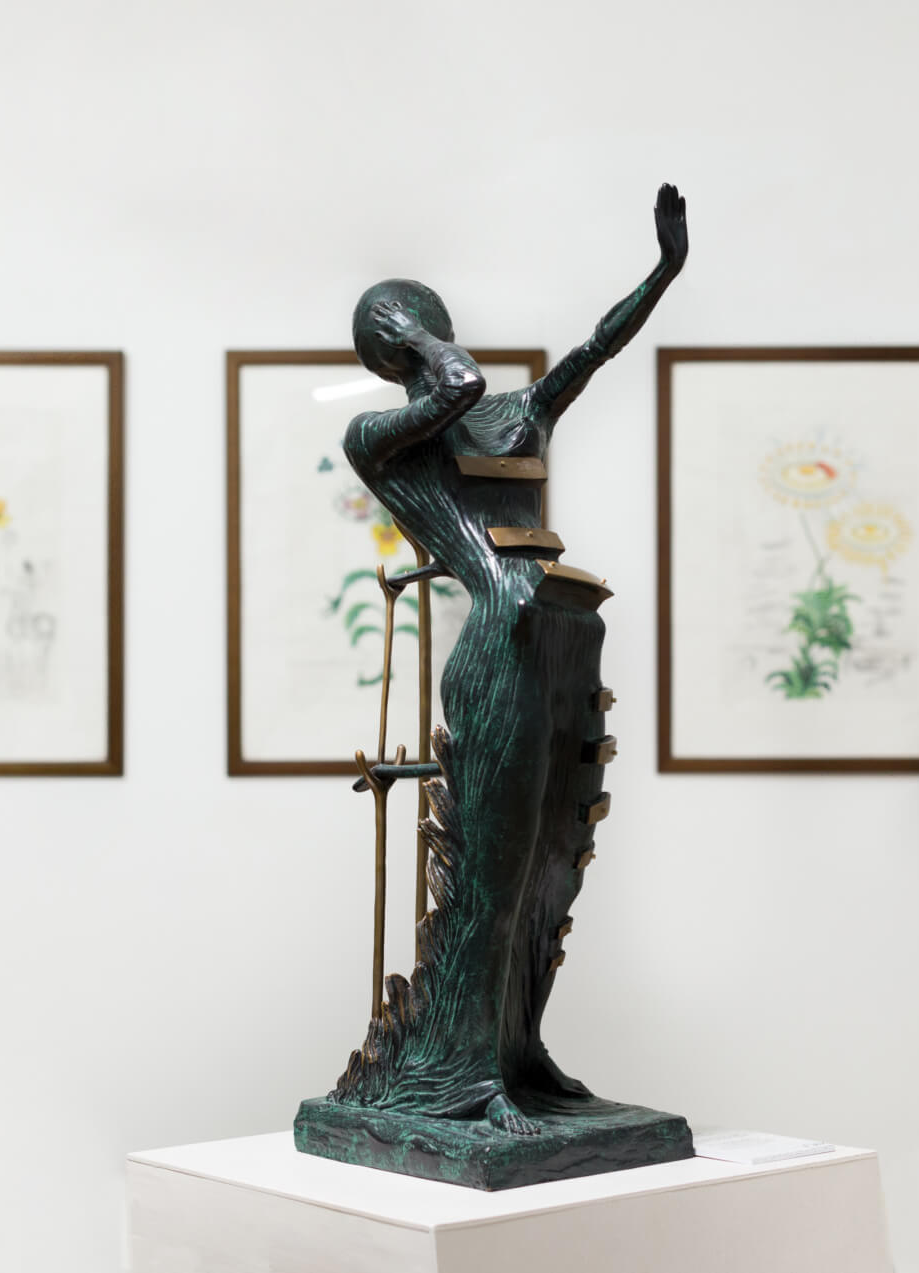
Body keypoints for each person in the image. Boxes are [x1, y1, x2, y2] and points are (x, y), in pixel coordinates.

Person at [331, 185, 688, 1135]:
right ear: (394, 348)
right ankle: (467, 1071)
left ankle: (518, 1048)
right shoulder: (380, 440)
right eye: (392, 328)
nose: (408, 330)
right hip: (499, 638)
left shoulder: (519, 410)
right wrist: (417, 340)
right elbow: (456, 387)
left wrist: (663, 272)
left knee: (552, 859)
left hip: (564, 628)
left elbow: (596, 350)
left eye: (405, 317)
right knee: (492, 871)